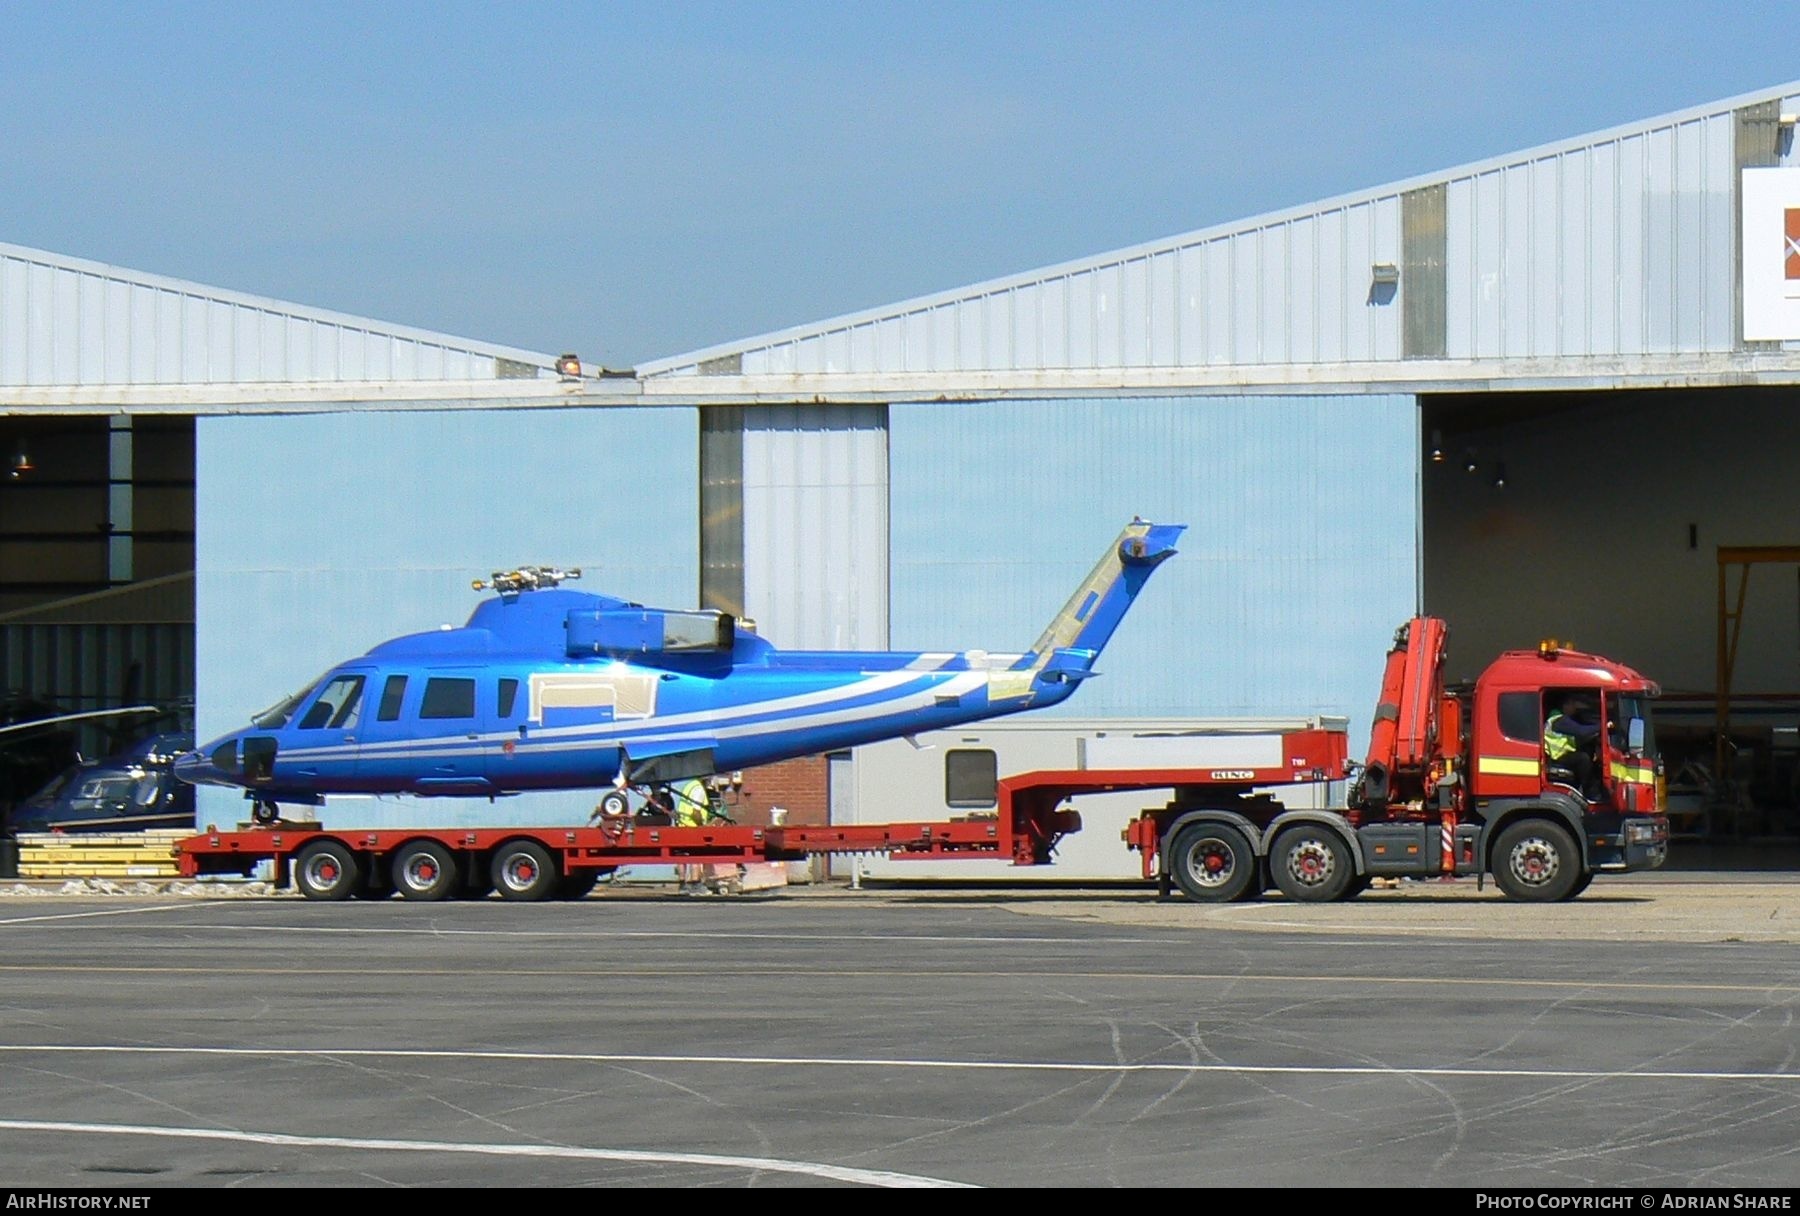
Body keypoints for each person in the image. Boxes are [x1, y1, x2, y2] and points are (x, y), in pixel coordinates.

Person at [1544, 693, 1603, 798]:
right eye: (1573, 704)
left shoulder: (1560, 720)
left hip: (1561, 754)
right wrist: (1603, 726)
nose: (1575, 708)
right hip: (1556, 757)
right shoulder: (1559, 720)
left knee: (1587, 750)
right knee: (1583, 759)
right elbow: (1581, 731)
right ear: (1565, 705)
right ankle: (1590, 792)